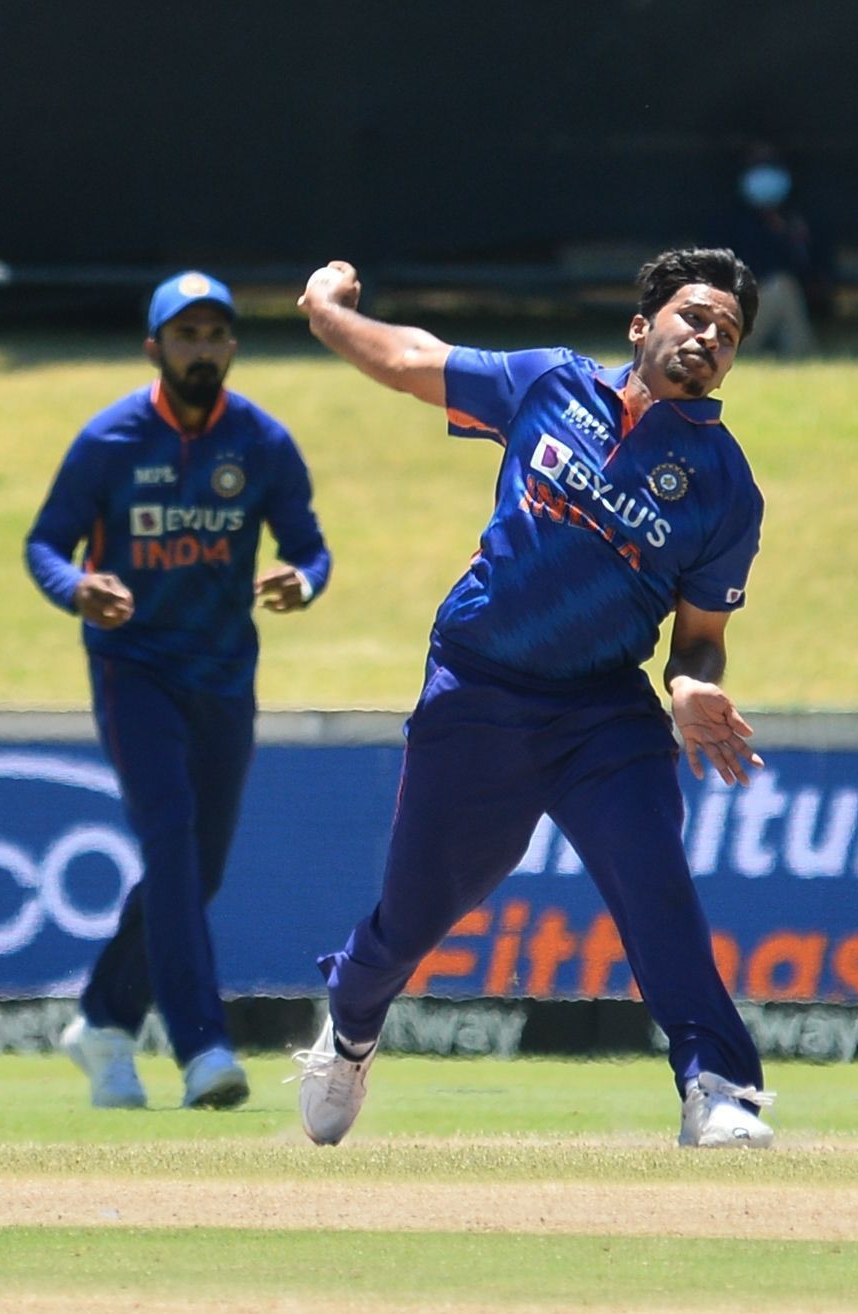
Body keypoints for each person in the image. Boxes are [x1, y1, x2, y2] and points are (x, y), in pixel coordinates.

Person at [291, 249, 777, 1150]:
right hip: (478, 687)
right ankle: (350, 1030)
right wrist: (326, 313)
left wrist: (688, 687)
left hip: (600, 712)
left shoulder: (723, 487)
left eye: (727, 332)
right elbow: (406, 359)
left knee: (653, 883)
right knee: (411, 917)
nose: (707, 336)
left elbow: (700, 635)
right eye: (693, 316)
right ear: (642, 326)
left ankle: (718, 1087)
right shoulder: (547, 384)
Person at [25, 271, 332, 1110]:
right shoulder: (110, 440)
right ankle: (202, 1047)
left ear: (231, 346)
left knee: (197, 872)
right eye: (185, 336)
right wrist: (76, 588)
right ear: (153, 347)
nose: (202, 350)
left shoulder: (261, 443)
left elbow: (311, 548)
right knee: (168, 837)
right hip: (135, 670)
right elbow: (46, 545)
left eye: (215, 335)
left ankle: (103, 1021)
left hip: (225, 673)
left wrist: (302, 581)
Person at [712, 142, 834, 357]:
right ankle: (802, 354)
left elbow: (816, 279)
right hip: (737, 317)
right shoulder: (726, 222)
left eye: (770, 165)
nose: (765, 175)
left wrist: (791, 239)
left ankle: (800, 354)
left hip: (786, 309)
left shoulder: (798, 222)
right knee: (780, 287)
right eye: (757, 165)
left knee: (784, 289)